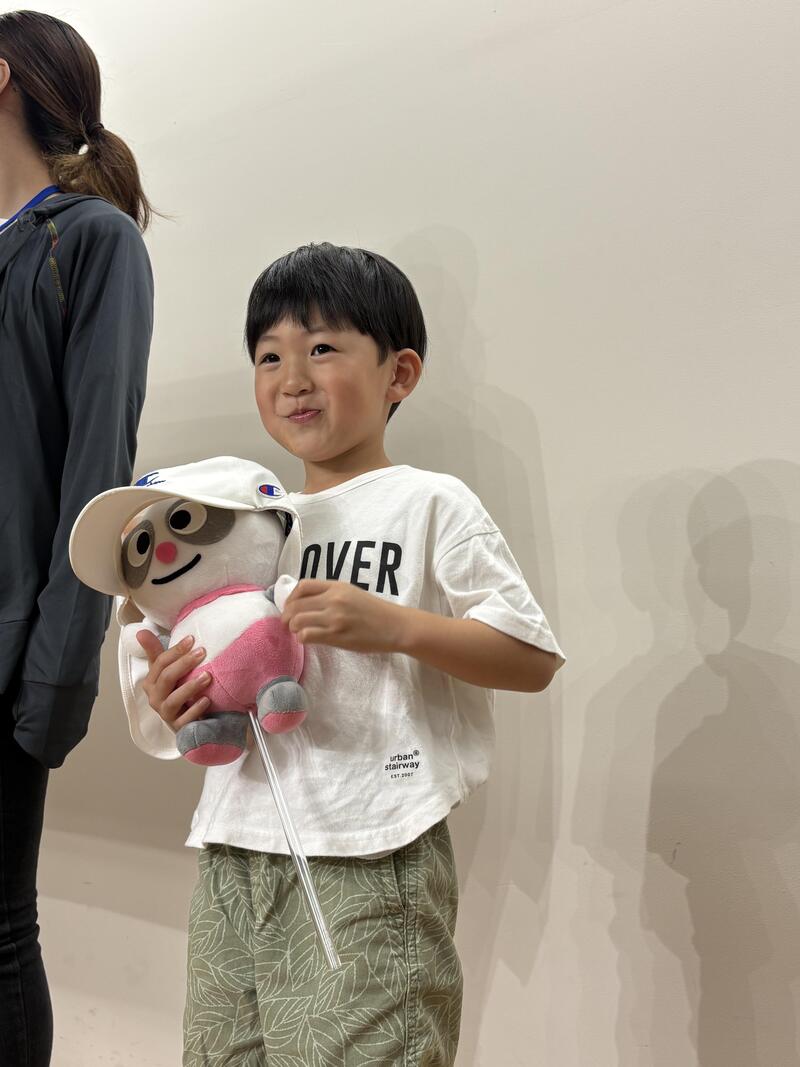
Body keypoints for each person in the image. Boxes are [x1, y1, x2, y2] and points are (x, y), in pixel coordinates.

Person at [132, 242, 564, 1066]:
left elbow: (531, 657)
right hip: (234, 846)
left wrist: (394, 624)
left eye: (322, 347)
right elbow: (209, 668)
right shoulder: (248, 524)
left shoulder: (429, 501)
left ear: (400, 373)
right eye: (269, 356)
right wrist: (176, 692)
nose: (292, 378)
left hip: (372, 848)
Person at [0, 11, 154, 1066]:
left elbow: (96, 475)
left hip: (10, 653)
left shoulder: (91, 242)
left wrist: (56, 678)